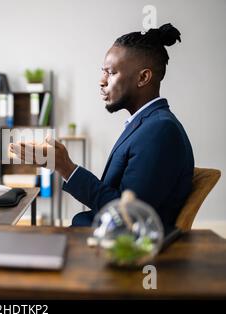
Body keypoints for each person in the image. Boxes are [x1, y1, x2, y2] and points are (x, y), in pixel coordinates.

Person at [10, 23, 194, 235]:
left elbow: (129, 217)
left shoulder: (160, 130)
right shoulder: (146, 124)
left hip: (115, 249)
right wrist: (62, 165)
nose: (101, 81)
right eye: (103, 72)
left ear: (143, 77)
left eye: (111, 72)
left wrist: (66, 167)